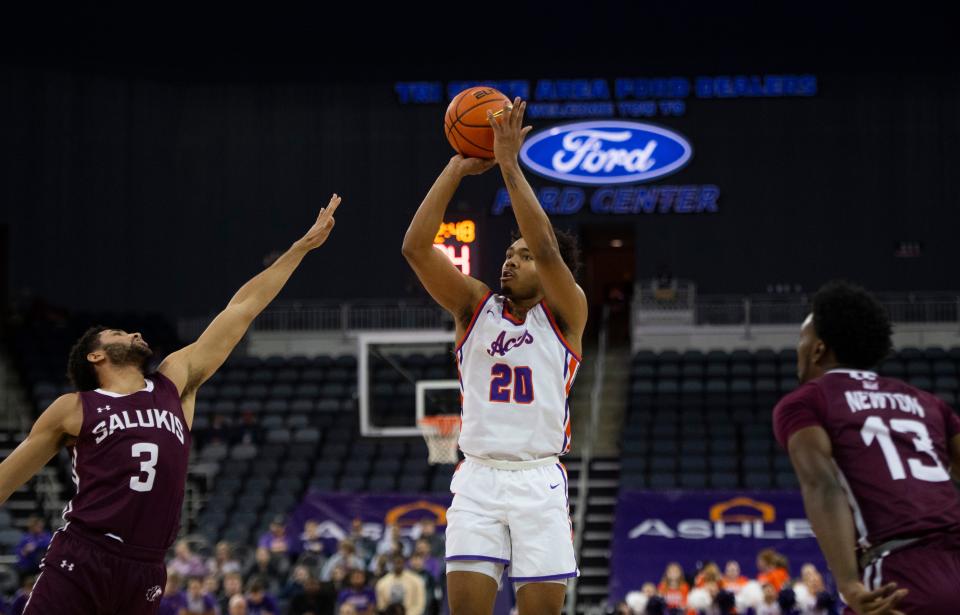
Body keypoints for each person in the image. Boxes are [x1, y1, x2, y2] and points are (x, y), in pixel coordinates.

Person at [0, 195, 342, 614]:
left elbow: (242, 309)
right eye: (119, 333)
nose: (133, 333)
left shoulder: (174, 382)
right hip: (83, 555)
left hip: (146, 568)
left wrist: (299, 249)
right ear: (95, 356)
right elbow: (6, 479)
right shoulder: (75, 407)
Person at [403, 97, 585, 615]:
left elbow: (549, 250)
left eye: (522, 256)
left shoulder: (568, 314)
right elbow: (416, 248)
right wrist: (457, 165)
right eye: (509, 252)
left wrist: (509, 164)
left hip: (539, 478)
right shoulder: (473, 306)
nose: (512, 260)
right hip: (478, 477)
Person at [773, 281, 960, 614]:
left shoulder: (807, 401)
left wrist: (848, 585)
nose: (797, 349)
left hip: (902, 574)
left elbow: (822, 484)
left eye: (801, 339)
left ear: (817, 349)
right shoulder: (928, 402)